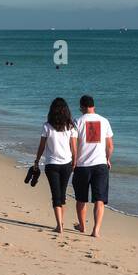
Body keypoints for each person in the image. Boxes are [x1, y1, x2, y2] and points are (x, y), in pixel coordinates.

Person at [73, 95, 114, 237]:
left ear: (82, 107)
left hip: (82, 165)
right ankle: (96, 230)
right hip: (100, 164)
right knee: (99, 199)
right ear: (93, 106)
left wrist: (73, 160)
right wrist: (108, 159)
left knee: (81, 198)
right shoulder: (104, 121)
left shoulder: (77, 121)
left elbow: (72, 144)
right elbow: (109, 145)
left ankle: (82, 226)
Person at [34, 98, 77, 233]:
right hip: (67, 164)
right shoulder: (70, 127)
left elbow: (42, 146)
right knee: (62, 195)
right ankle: (60, 223)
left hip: (51, 164)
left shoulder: (47, 126)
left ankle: (59, 225)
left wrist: (36, 160)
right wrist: (75, 162)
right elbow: (74, 147)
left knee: (56, 194)